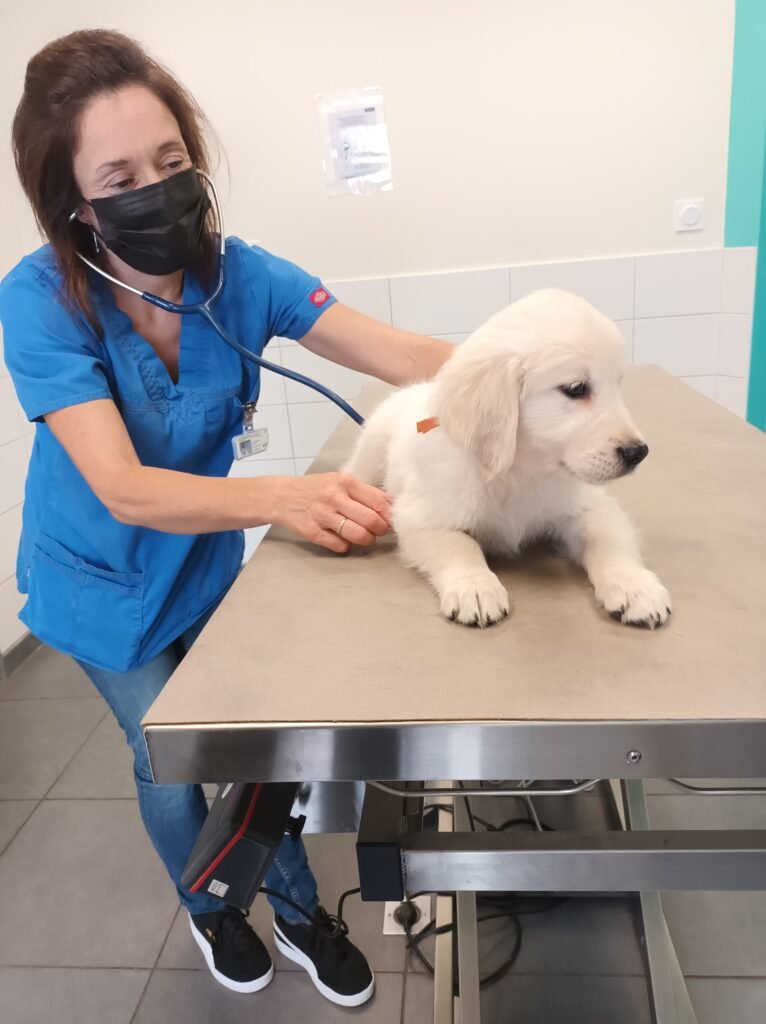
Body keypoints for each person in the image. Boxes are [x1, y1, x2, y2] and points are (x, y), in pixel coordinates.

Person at [0, 29, 452, 1007]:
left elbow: (395, 349)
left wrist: (533, 367)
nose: (157, 188)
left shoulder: (239, 276)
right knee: (171, 763)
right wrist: (287, 497)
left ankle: (295, 910)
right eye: (120, 173)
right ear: (74, 201)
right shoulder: (40, 301)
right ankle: (212, 908)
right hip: (100, 583)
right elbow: (122, 486)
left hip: (199, 562)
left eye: (170, 163)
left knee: (259, 746)